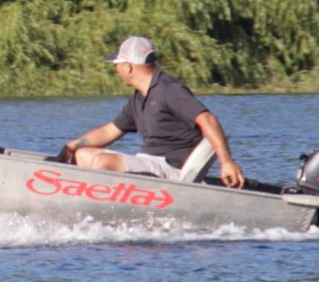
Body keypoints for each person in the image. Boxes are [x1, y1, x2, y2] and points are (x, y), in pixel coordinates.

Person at [59, 35, 246, 187]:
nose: (116, 69)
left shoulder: (169, 90)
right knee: (82, 155)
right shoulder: (139, 97)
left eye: (117, 64)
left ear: (128, 66)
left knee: (103, 162)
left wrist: (226, 162)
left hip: (171, 168)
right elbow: (109, 131)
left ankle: (99, 206)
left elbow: (208, 119)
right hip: (149, 162)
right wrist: (72, 146)